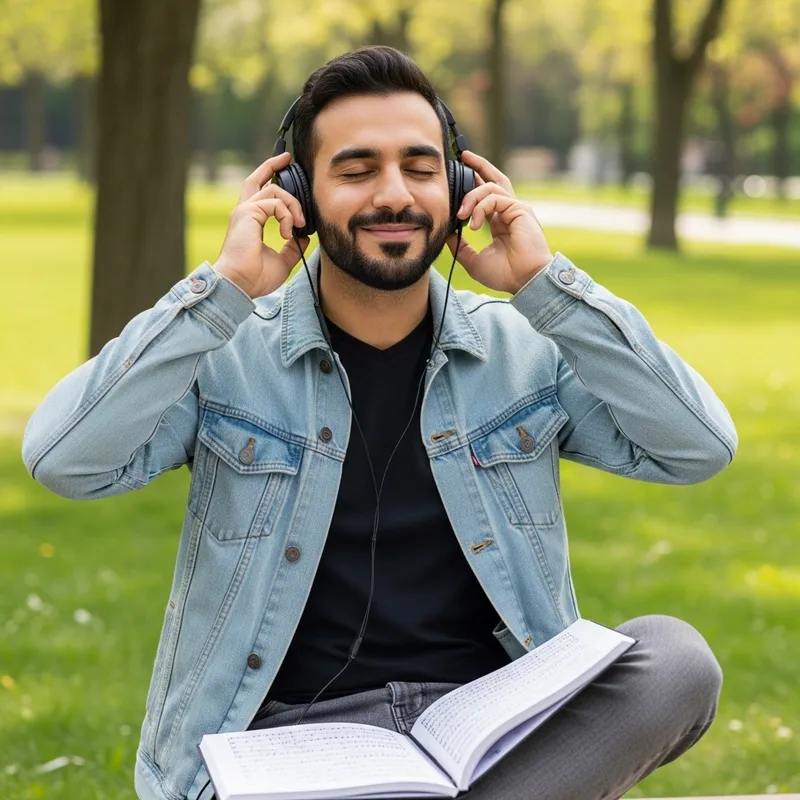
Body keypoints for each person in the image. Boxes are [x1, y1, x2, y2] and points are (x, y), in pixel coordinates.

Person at [22, 46, 737, 800]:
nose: (393, 195)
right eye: (357, 170)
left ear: (459, 186)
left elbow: (699, 446)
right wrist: (224, 289)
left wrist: (545, 288)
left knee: (676, 659)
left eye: (421, 168)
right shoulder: (227, 356)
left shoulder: (525, 350)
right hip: (288, 744)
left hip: (493, 738)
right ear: (296, 193)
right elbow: (64, 458)